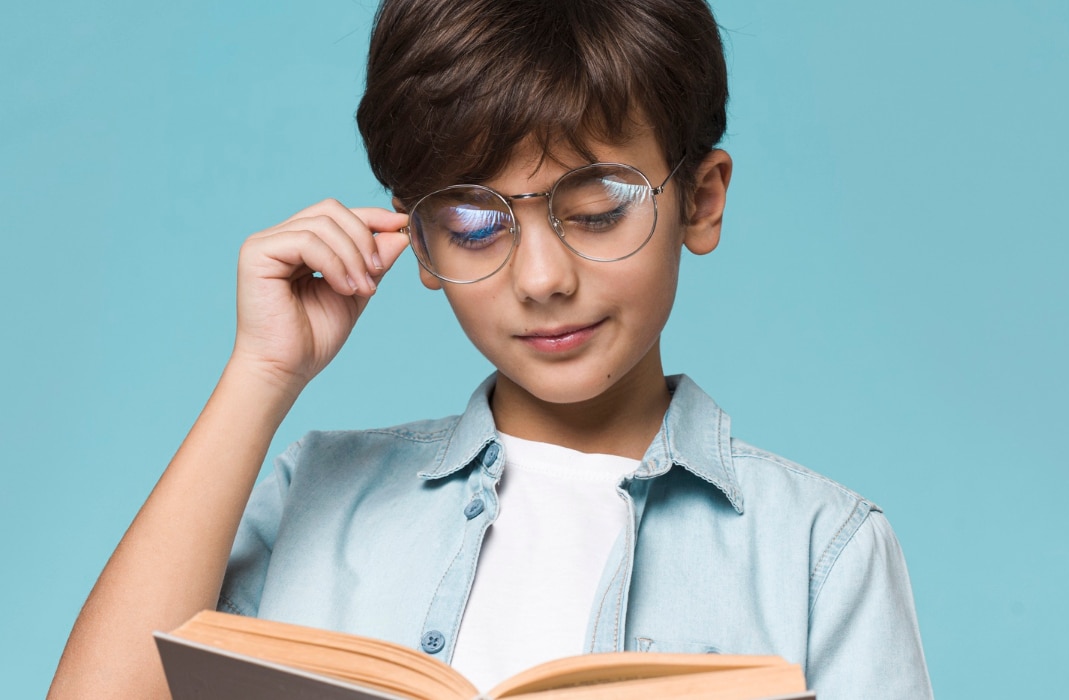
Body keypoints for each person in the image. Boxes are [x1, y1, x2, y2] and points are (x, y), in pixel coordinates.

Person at [49, 0, 933, 698]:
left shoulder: (821, 551)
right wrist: (263, 374)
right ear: (421, 242)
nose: (542, 277)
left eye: (596, 210)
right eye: (475, 223)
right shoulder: (316, 498)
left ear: (699, 200)